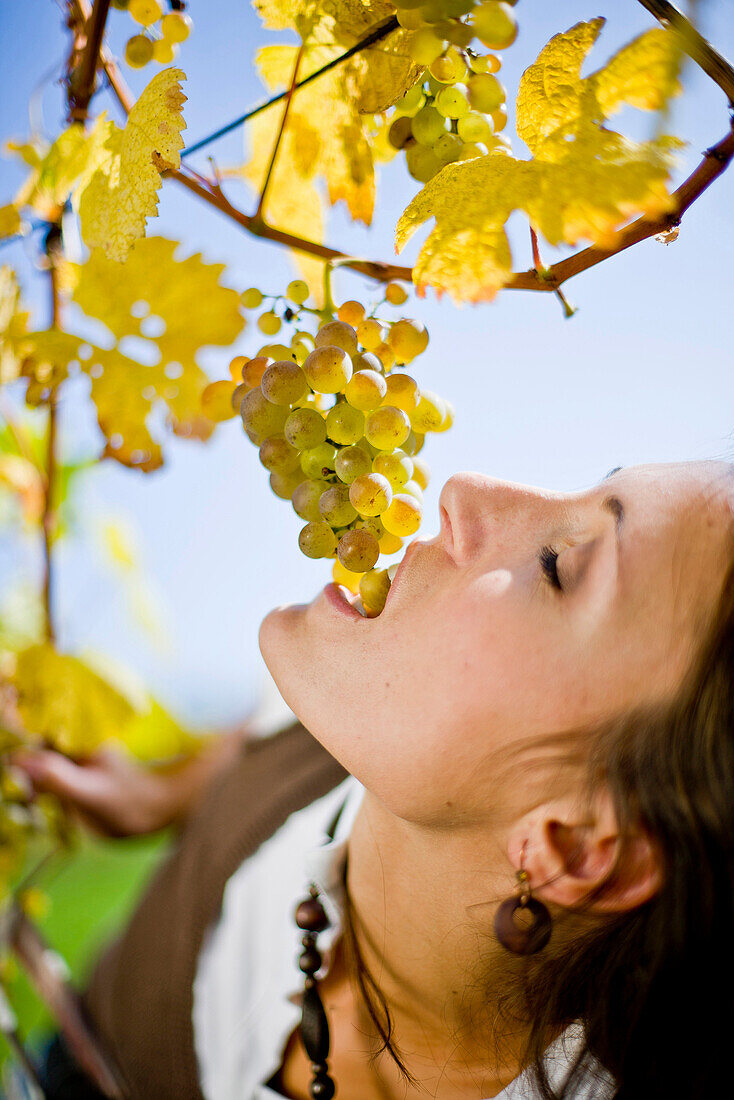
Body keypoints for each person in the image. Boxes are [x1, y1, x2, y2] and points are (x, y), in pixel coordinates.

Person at [11, 460, 734, 1100]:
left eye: (559, 566)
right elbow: (255, 735)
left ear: (572, 847)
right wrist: (164, 794)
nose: (464, 486)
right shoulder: (333, 726)